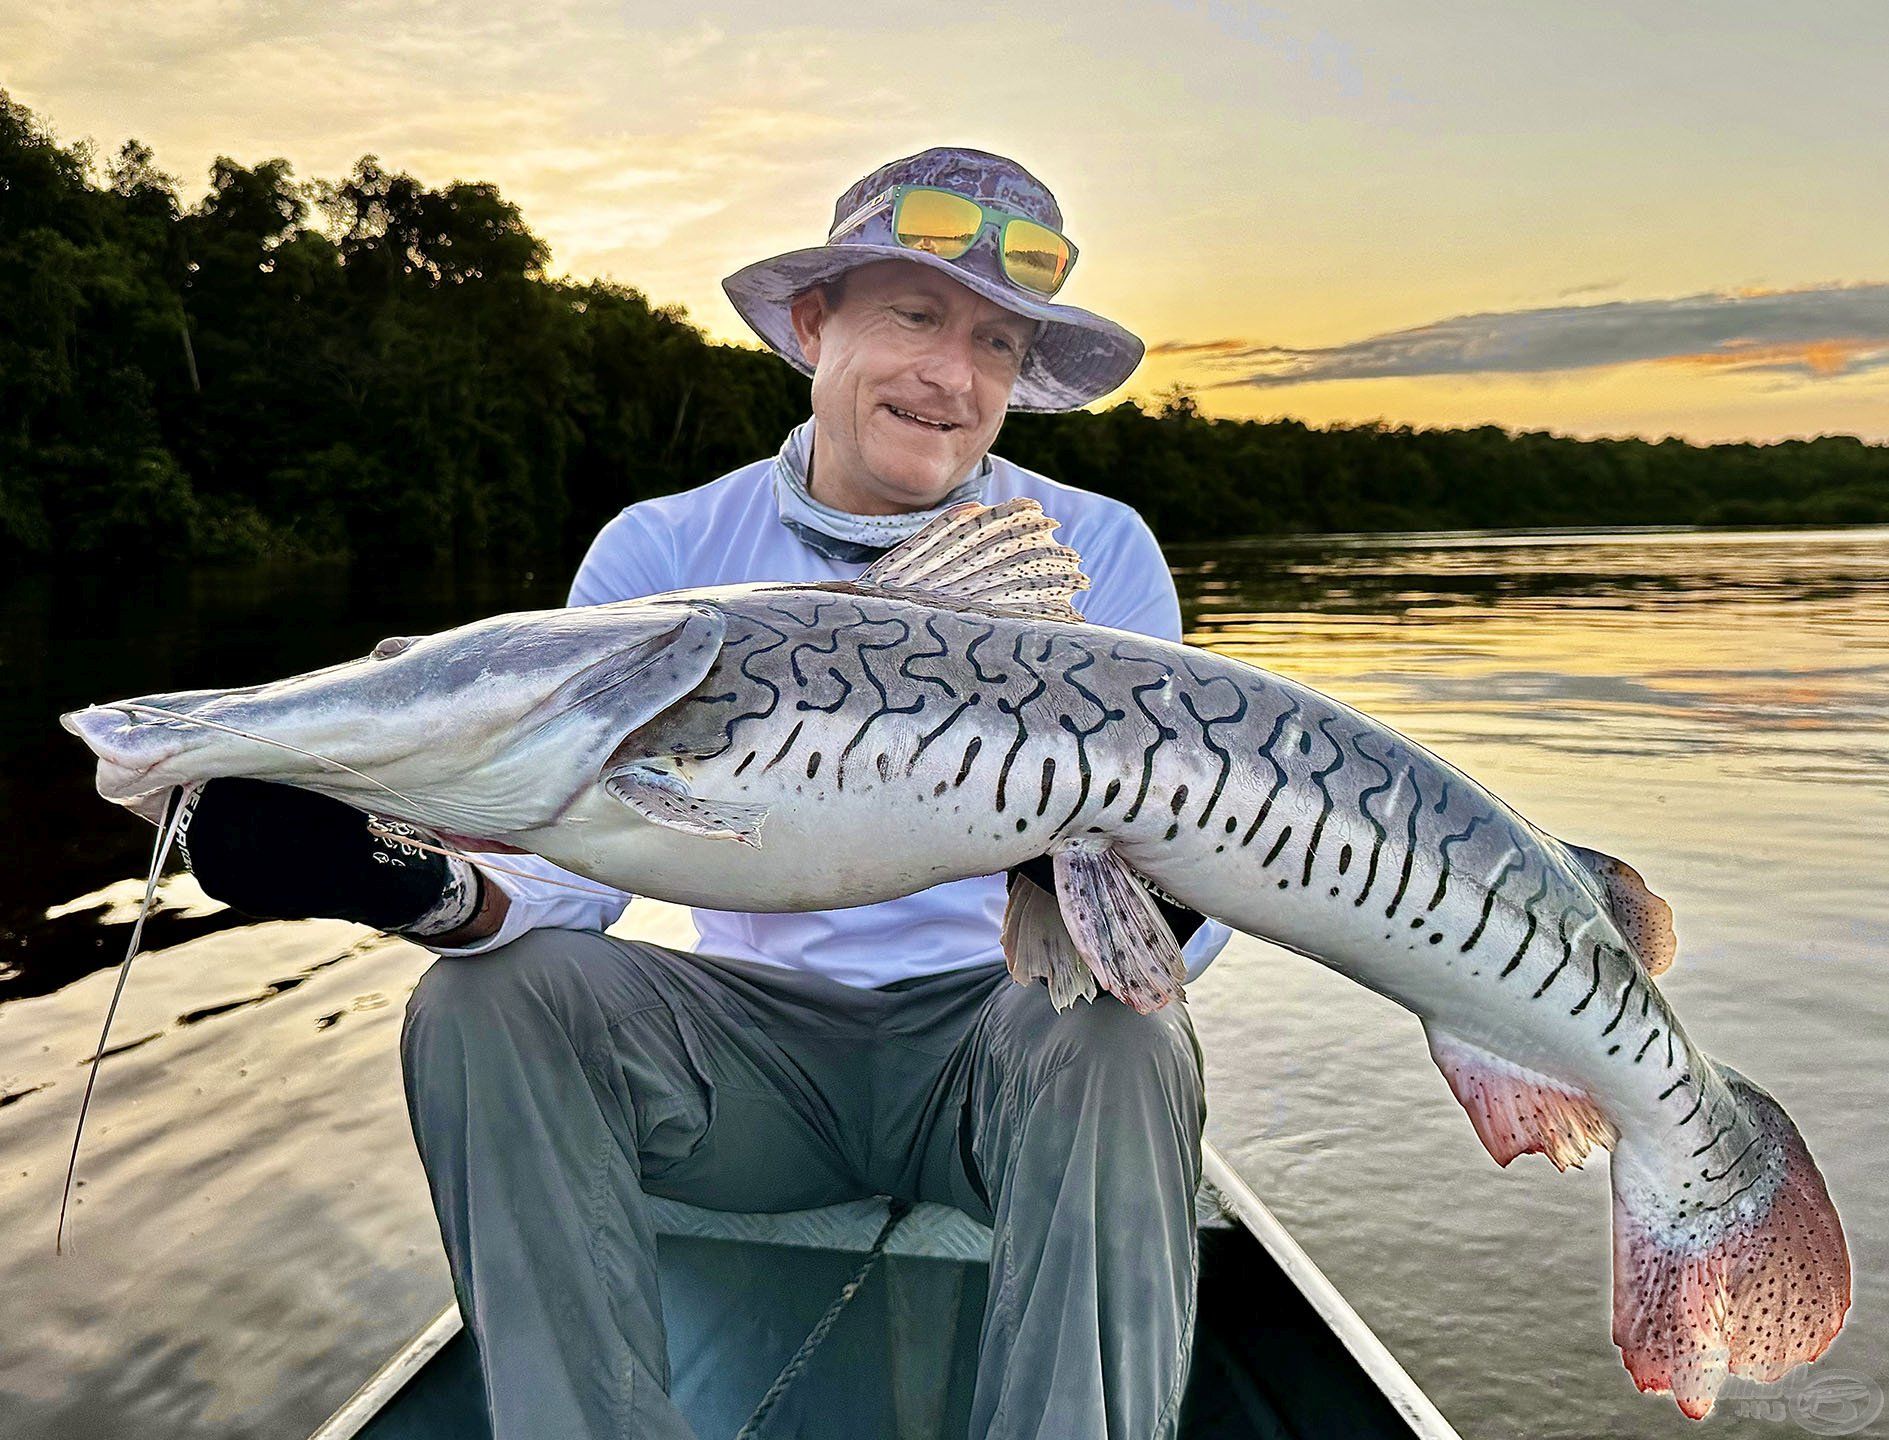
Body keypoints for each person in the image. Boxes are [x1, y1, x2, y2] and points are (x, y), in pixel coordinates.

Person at [179, 147, 1231, 1439]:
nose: (950, 377)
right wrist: (411, 884)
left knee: (1125, 1030)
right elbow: (569, 877)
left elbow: (1182, 880)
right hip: (751, 1067)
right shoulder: (665, 550)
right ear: (813, 324)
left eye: (997, 343)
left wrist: (1162, 898)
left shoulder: (1096, 551)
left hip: (1002, 1047)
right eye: (912, 314)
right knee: (487, 1001)